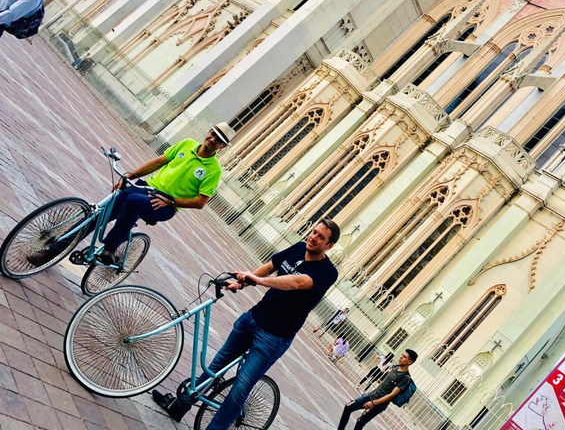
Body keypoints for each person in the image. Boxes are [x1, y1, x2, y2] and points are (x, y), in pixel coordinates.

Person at [153, 218, 341, 429]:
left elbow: (296, 283)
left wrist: (256, 280)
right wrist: (241, 282)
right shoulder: (298, 247)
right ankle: (180, 407)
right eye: (314, 232)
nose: (313, 238)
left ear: (329, 245)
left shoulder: (327, 272)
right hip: (252, 318)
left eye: (321, 237)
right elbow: (270, 267)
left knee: (240, 388)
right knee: (217, 365)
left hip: (274, 337)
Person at [27, 124, 234, 266]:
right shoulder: (187, 144)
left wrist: (171, 200)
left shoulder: (214, 170)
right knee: (97, 216)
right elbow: (159, 161)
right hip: (146, 187)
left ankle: (110, 248)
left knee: (134, 201)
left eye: (219, 140)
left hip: (165, 205)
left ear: (222, 147)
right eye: (213, 133)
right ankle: (52, 251)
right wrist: (131, 175)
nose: (212, 139)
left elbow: (200, 202)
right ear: (208, 132)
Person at [337, 349, 418, 430]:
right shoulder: (396, 367)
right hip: (372, 395)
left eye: (404, 357)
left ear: (409, 362)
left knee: (360, 422)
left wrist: (373, 403)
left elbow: (391, 395)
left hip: (379, 404)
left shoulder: (405, 377)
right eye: (402, 355)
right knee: (348, 407)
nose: (401, 357)